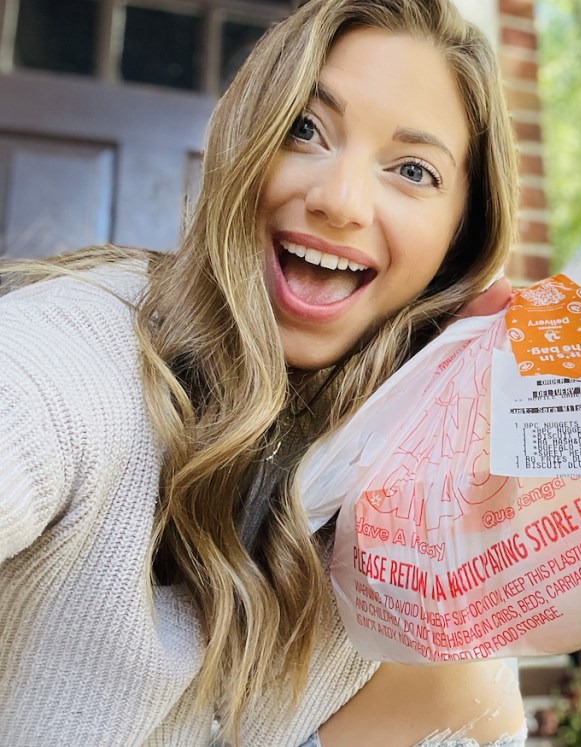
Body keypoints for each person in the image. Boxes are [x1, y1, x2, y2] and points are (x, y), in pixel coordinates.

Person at [0, 0, 528, 745]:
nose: (340, 201)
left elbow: (484, 723)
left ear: (459, 240)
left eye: (413, 170)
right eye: (303, 129)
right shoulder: (82, 353)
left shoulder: (412, 484)